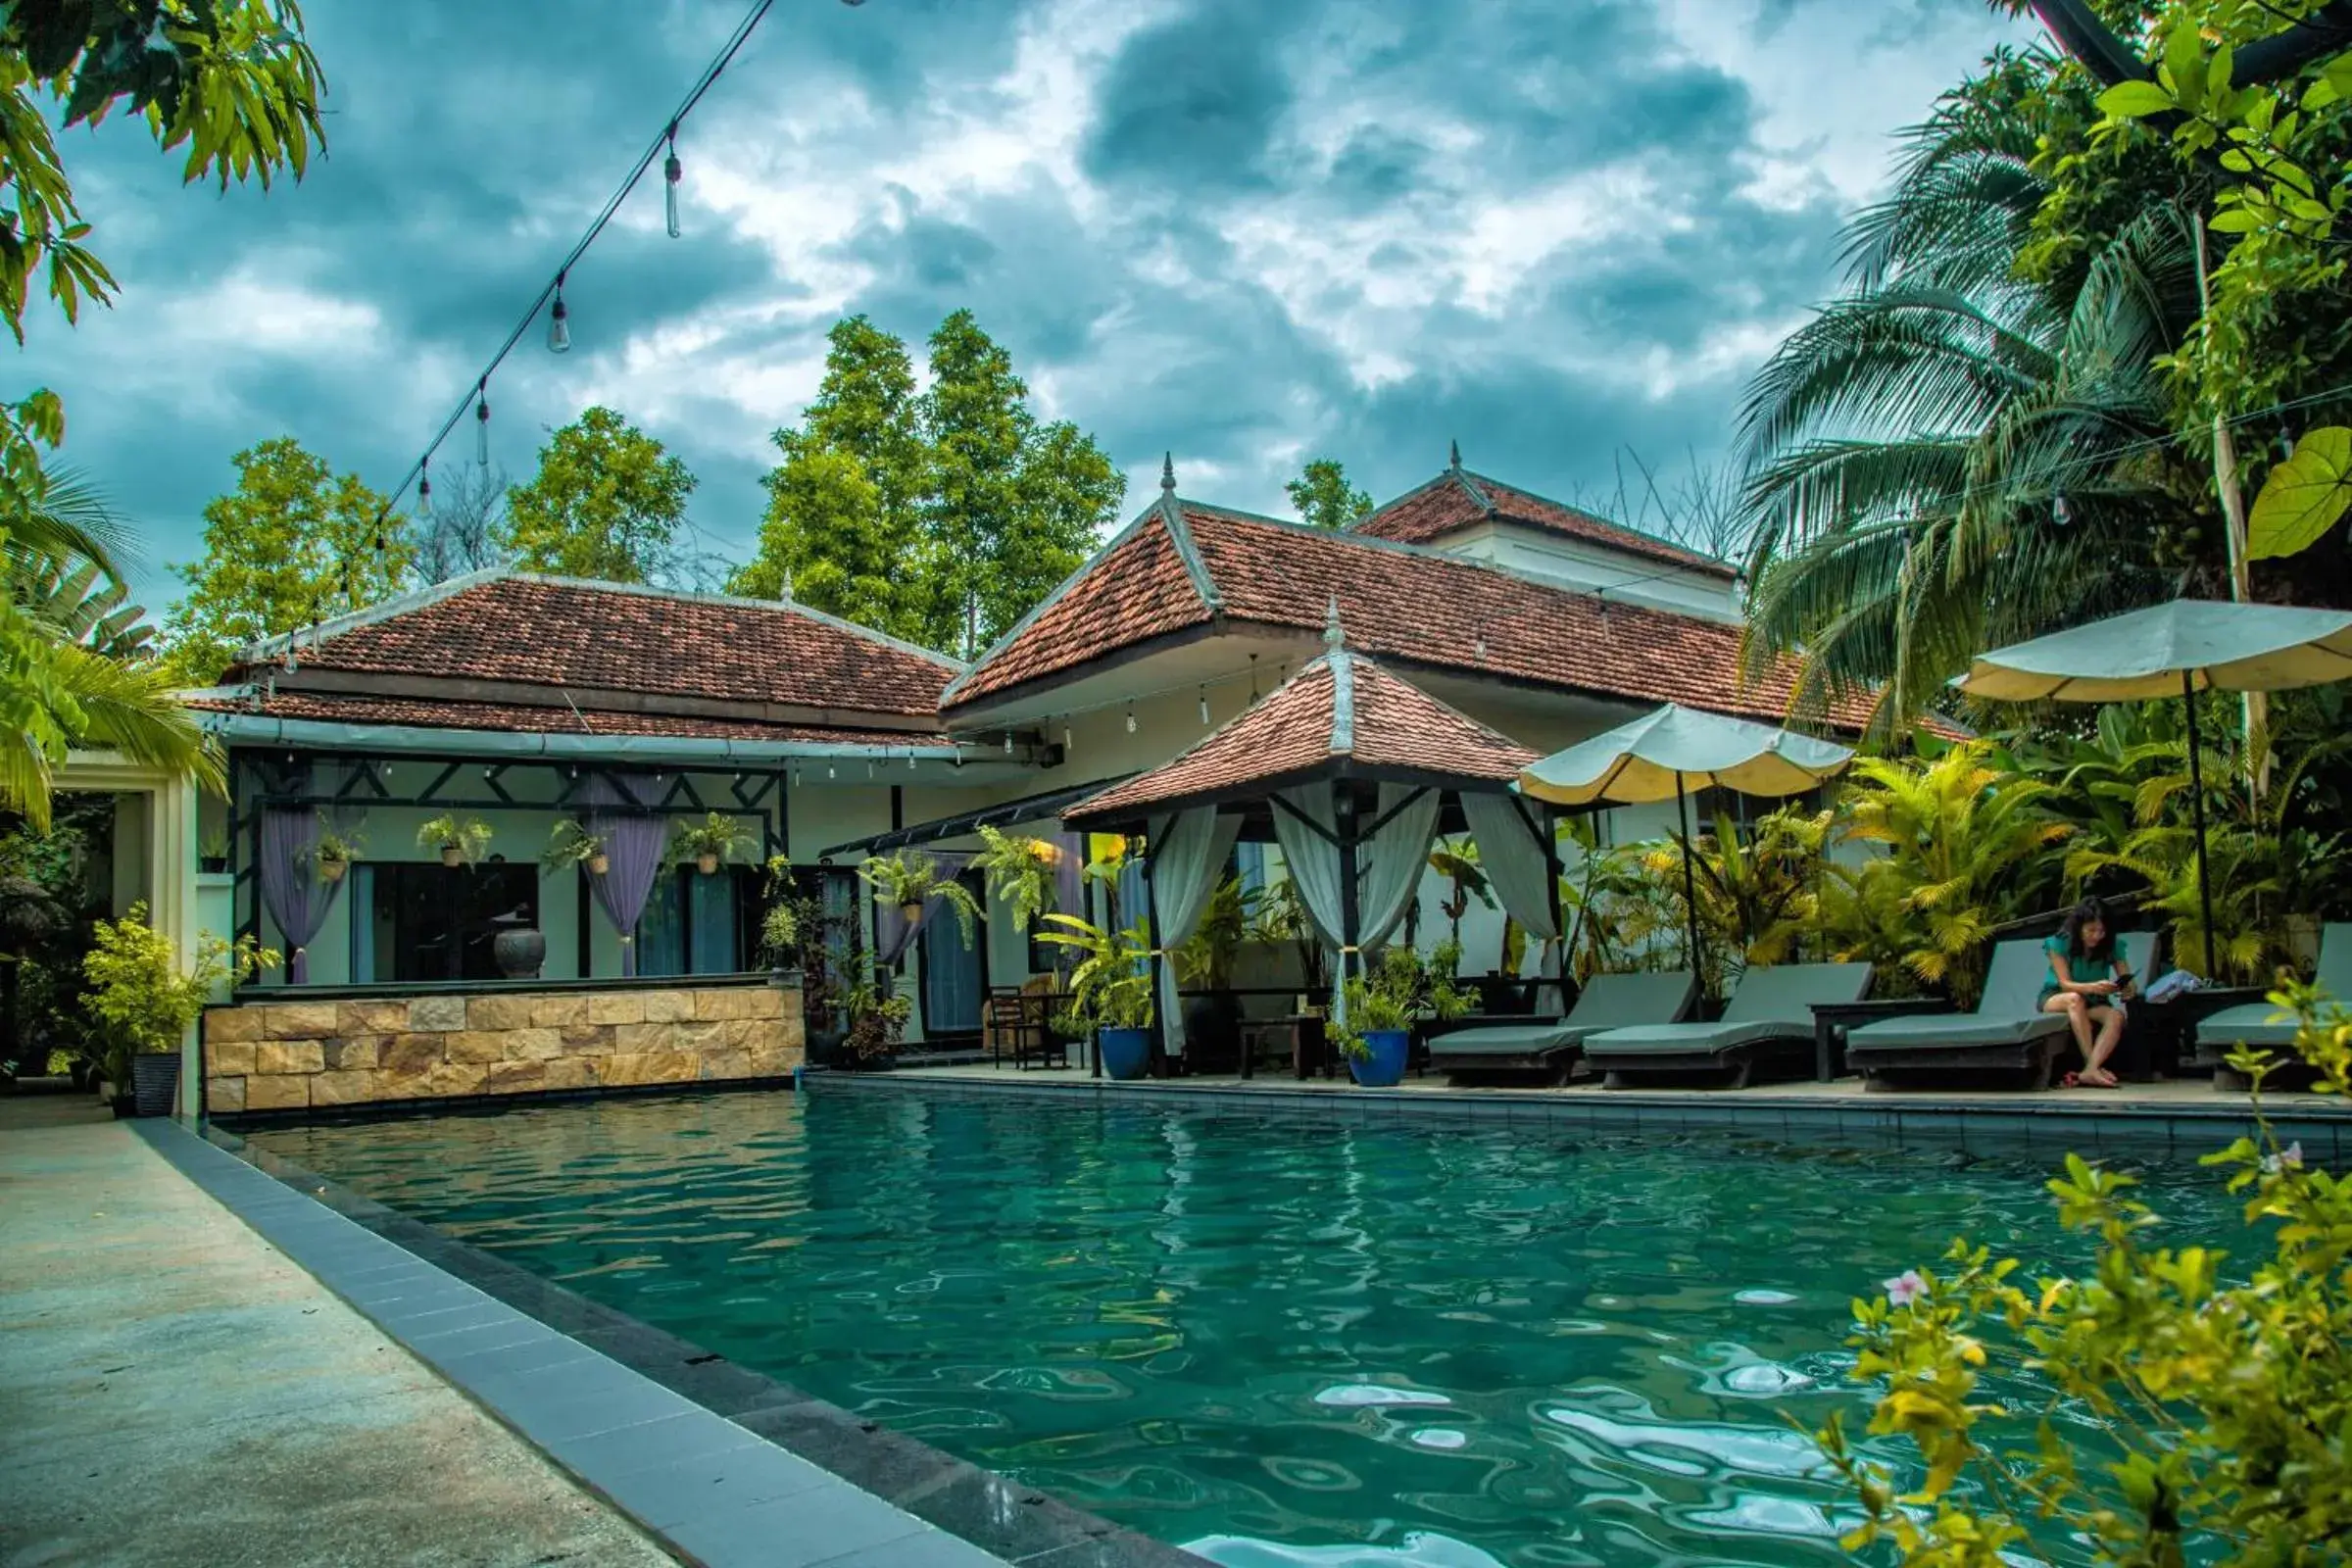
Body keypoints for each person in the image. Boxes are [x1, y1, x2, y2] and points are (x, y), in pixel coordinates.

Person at [2040, 898, 2137, 1088]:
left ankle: (2090, 1070)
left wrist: (2128, 988)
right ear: (2079, 927)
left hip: (2093, 1001)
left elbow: (2127, 976)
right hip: (2057, 997)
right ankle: (2091, 1066)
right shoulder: (2058, 943)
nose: (2097, 936)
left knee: (2116, 1016)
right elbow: (2065, 984)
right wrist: (2093, 986)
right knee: (2075, 1000)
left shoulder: (2113, 945)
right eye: (2091, 930)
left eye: (2102, 931)